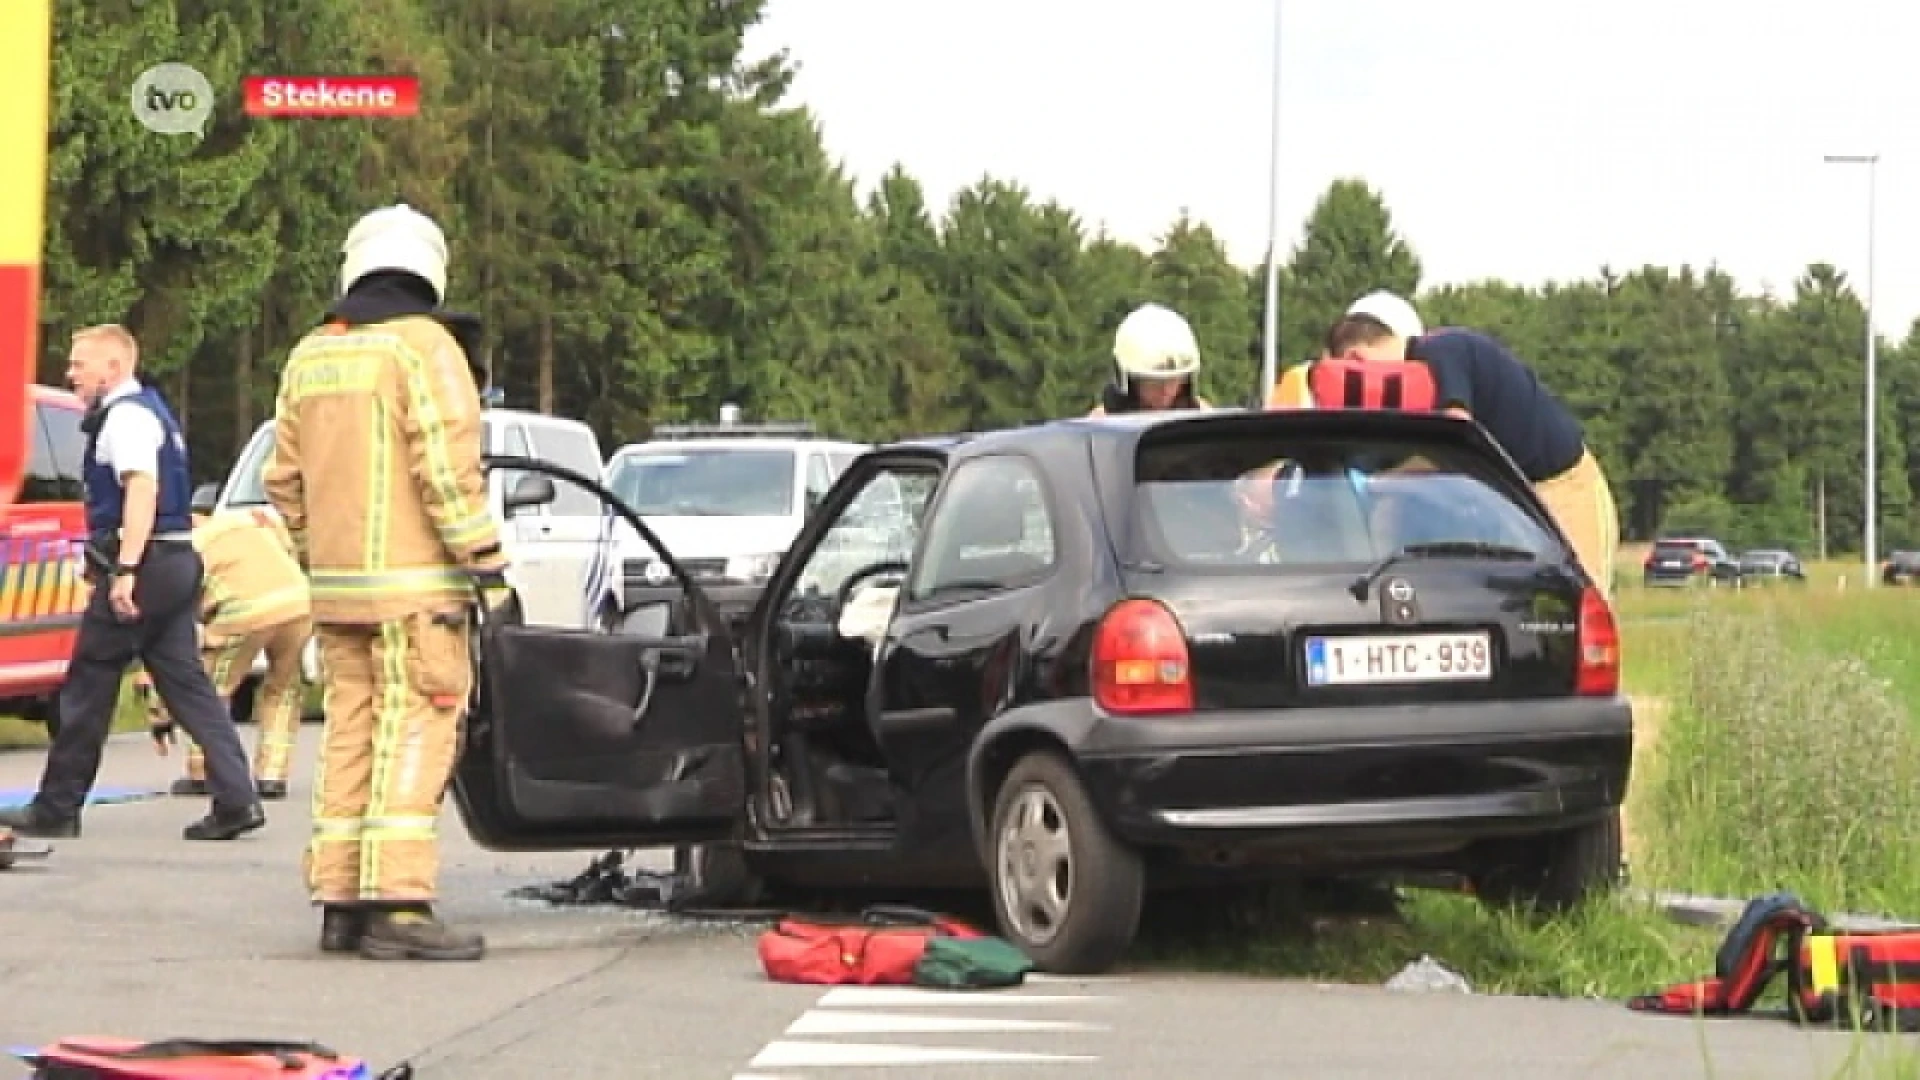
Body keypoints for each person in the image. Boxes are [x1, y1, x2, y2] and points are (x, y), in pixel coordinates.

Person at [265, 203, 509, 962]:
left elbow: (284, 481)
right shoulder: (425, 347)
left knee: (349, 738)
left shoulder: (311, 354)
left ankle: (340, 903)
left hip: (338, 595)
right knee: (416, 731)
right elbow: (446, 468)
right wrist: (486, 564)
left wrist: (320, 556)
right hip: (418, 597)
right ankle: (400, 907)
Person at [0, 325, 264, 841]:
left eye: (80, 364)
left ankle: (57, 807)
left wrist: (124, 569)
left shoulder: (126, 419)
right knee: (187, 687)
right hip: (172, 561)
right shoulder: (149, 413)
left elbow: (140, 492)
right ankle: (237, 797)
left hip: (147, 565)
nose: (71, 374)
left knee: (87, 683)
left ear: (114, 368)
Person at [1321, 291, 1621, 598]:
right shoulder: (1422, 373)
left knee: (1583, 603)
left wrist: (1386, 484)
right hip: (1513, 503)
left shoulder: (1442, 351)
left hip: (1564, 489)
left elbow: (1455, 438)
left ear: (1354, 360)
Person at [146, 507, 313, 802]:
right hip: (298, 604)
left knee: (211, 690)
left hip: (243, 611)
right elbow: (289, 549)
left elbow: (175, 630)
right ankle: (272, 775)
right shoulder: (245, 521)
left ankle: (205, 771)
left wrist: (160, 713)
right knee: (284, 689)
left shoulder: (183, 549)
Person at [1088, 303, 1213, 416]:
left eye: (1174, 380)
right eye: (1154, 382)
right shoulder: (1101, 424)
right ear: (1128, 380)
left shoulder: (1203, 418)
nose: (1165, 391)